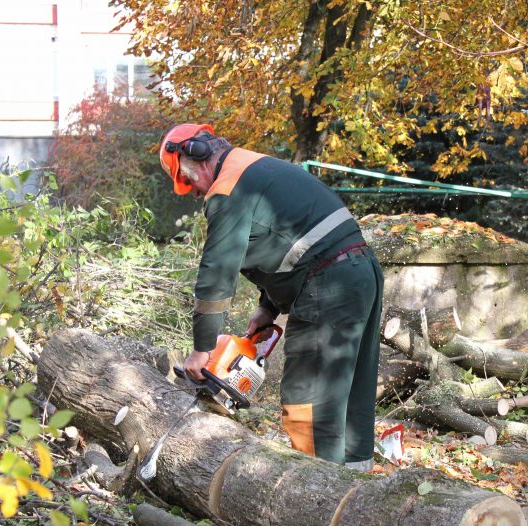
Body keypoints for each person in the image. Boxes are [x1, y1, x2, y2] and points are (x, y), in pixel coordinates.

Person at [159, 123, 383, 471]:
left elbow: (217, 275)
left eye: (187, 180)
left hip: (329, 285)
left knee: (307, 400)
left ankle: (315, 498)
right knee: (351, 394)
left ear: (197, 155)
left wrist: (203, 350)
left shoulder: (228, 189)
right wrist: (268, 307)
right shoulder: (256, 167)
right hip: (360, 271)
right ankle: (357, 493)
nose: (191, 191)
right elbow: (288, 238)